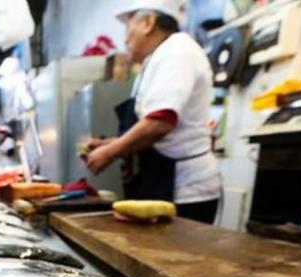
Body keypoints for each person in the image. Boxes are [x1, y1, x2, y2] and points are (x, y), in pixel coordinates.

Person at [83, 0, 221, 224]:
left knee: (175, 258)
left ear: (148, 22)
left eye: (128, 28)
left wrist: (110, 153)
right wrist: (111, 144)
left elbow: (161, 122)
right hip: (160, 180)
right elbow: (154, 122)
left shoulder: (177, 52)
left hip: (182, 190)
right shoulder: (157, 58)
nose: (125, 38)